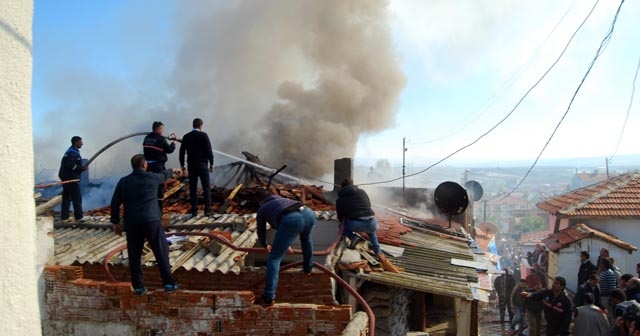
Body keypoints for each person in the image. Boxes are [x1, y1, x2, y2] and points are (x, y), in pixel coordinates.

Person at [110, 154, 178, 295]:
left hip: (132, 223)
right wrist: (173, 170)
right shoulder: (151, 177)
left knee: (134, 256)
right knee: (161, 251)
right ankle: (169, 284)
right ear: (144, 165)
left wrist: (116, 223)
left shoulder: (124, 182)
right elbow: (164, 175)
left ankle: (139, 287)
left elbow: (115, 203)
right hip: (151, 220)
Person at [254, 192, 316, 306]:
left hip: (292, 219)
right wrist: (286, 244)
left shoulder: (263, 208)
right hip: (308, 213)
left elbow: (261, 230)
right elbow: (283, 227)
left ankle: (268, 297)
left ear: (261, 202)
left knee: (275, 257)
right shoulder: (281, 200)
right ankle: (308, 268)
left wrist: (265, 244)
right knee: (306, 238)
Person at [179, 118, 214, 217]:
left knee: (193, 188)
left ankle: (194, 210)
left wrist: (182, 166)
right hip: (202, 165)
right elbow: (209, 151)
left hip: (191, 165)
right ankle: (208, 210)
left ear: (193, 125)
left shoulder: (186, 137)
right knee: (206, 187)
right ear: (201, 125)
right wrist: (211, 163)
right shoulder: (204, 135)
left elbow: (182, 153)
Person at [143, 121, 177, 213]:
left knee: (149, 187)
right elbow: (169, 150)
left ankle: (150, 208)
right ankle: (159, 211)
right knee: (160, 187)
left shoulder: (147, 138)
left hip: (148, 167)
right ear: (158, 129)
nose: (163, 131)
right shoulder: (161, 140)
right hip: (158, 166)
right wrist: (174, 142)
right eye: (162, 129)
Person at [58, 136, 86, 222]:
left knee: (67, 197)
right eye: (80, 142)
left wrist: (80, 168)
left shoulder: (71, 151)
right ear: (76, 142)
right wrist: (80, 168)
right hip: (71, 178)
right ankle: (79, 217)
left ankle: (64, 217)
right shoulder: (72, 153)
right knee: (76, 197)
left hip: (66, 177)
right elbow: (70, 165)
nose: (82, 144)